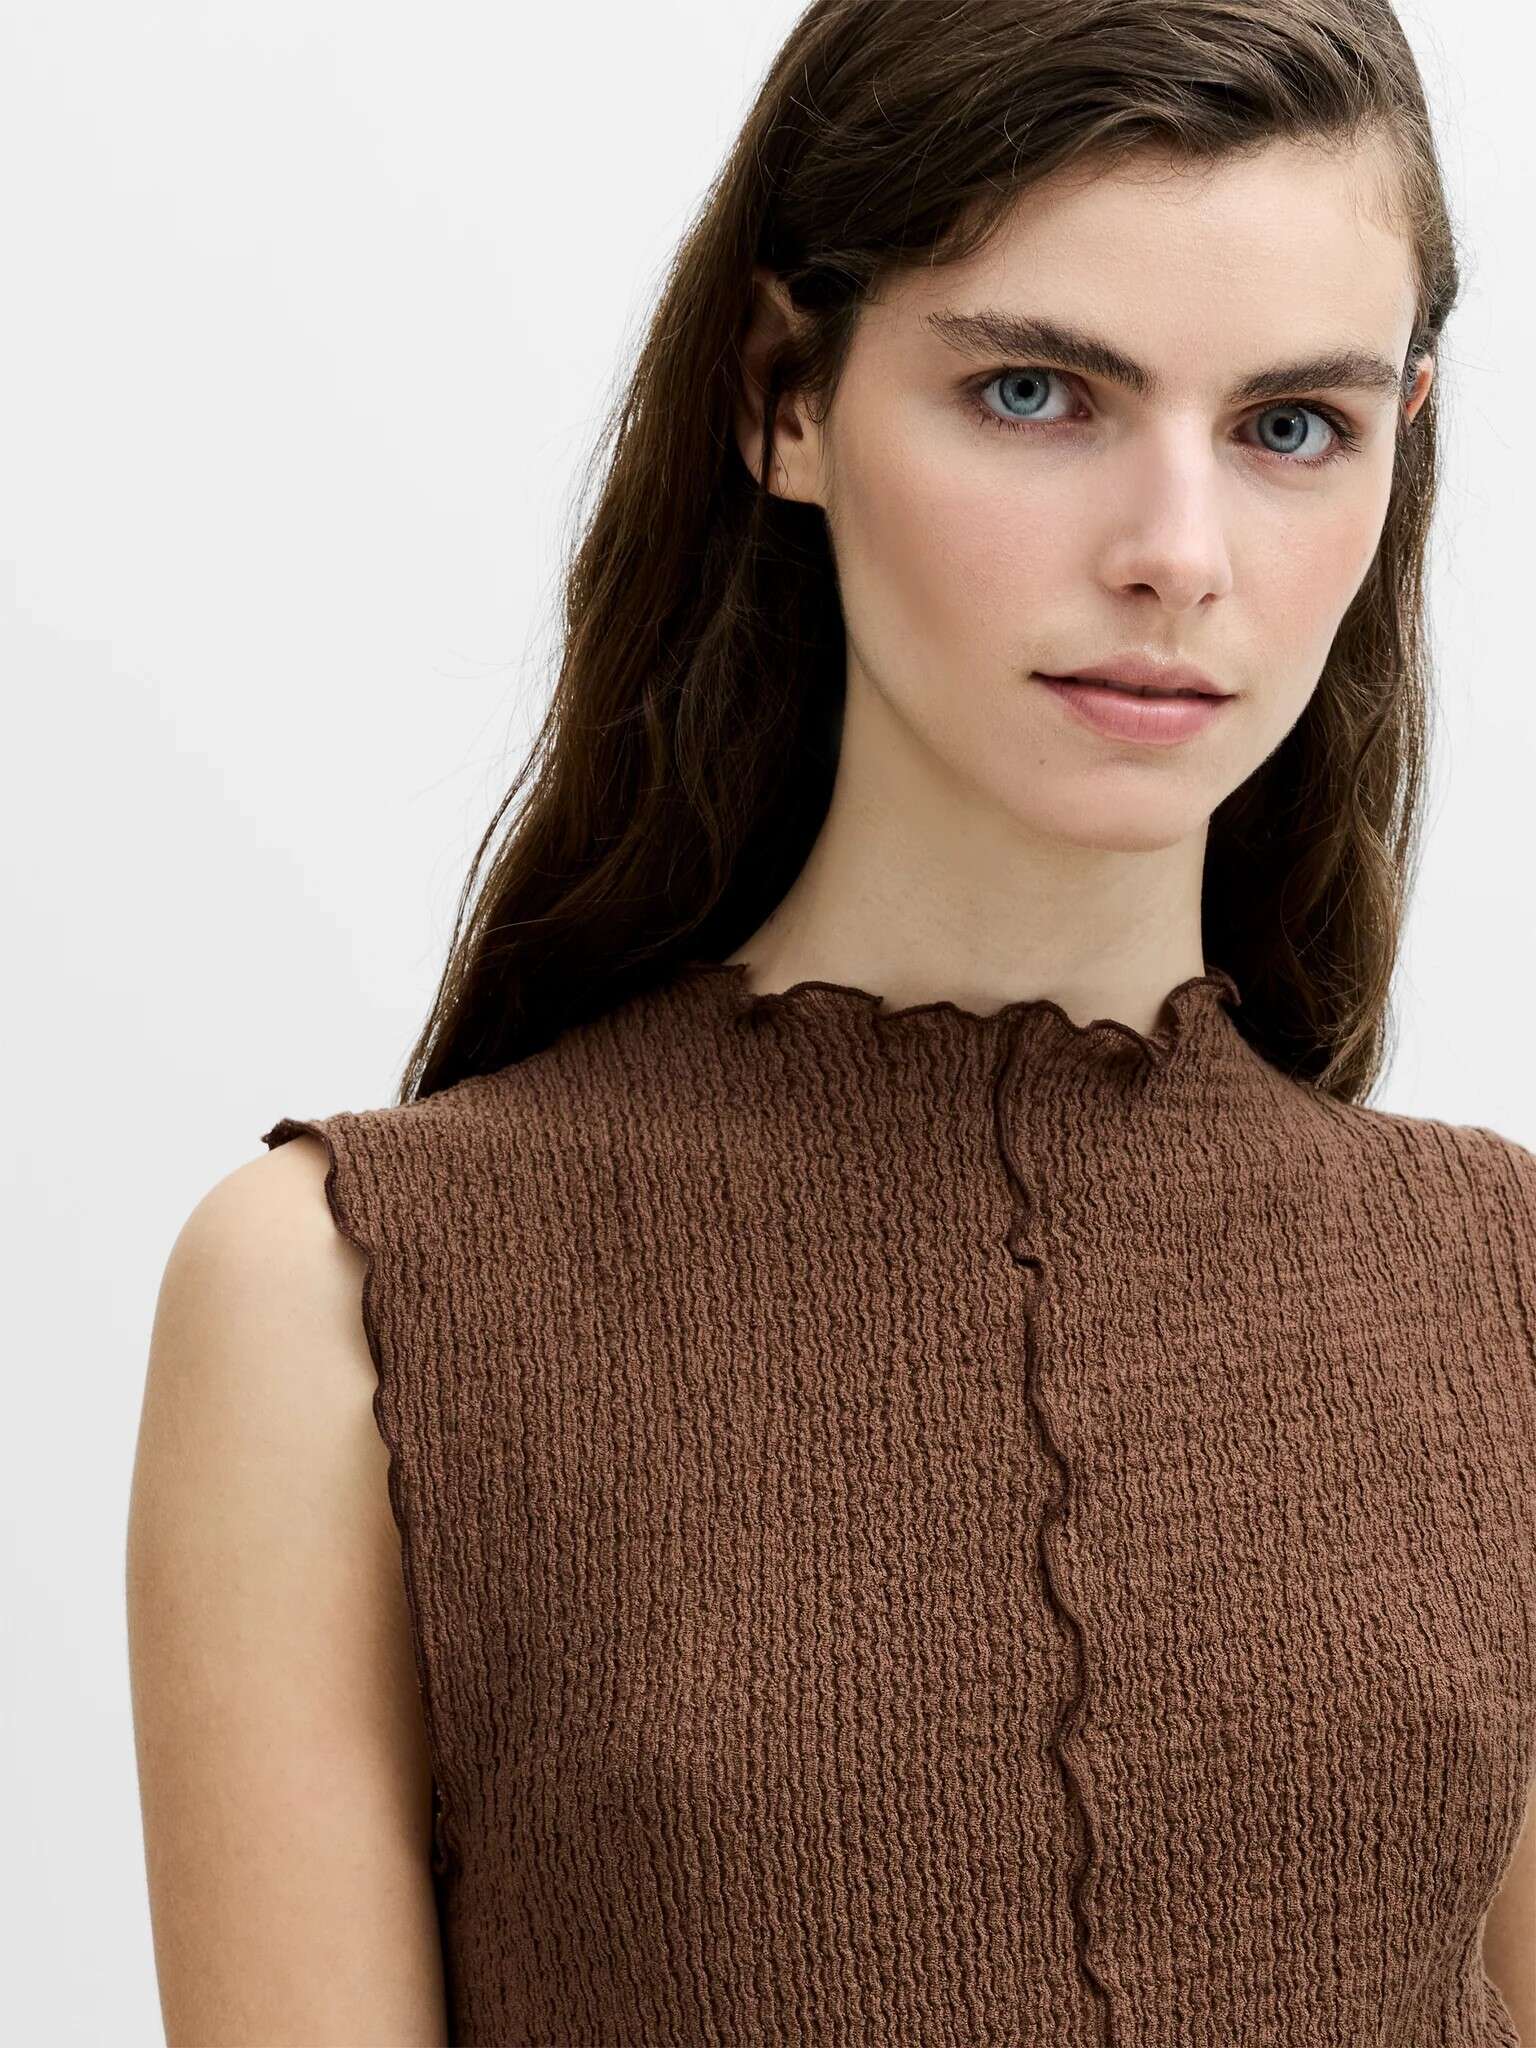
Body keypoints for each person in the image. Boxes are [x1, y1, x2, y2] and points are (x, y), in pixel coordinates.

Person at [127, 0, 1536, 2041]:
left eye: (1291, 427)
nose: (1177, 555)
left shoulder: (1499, 1295)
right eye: (1038, 392)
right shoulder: (342, 1300)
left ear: (1406, 434)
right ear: (783, 393)